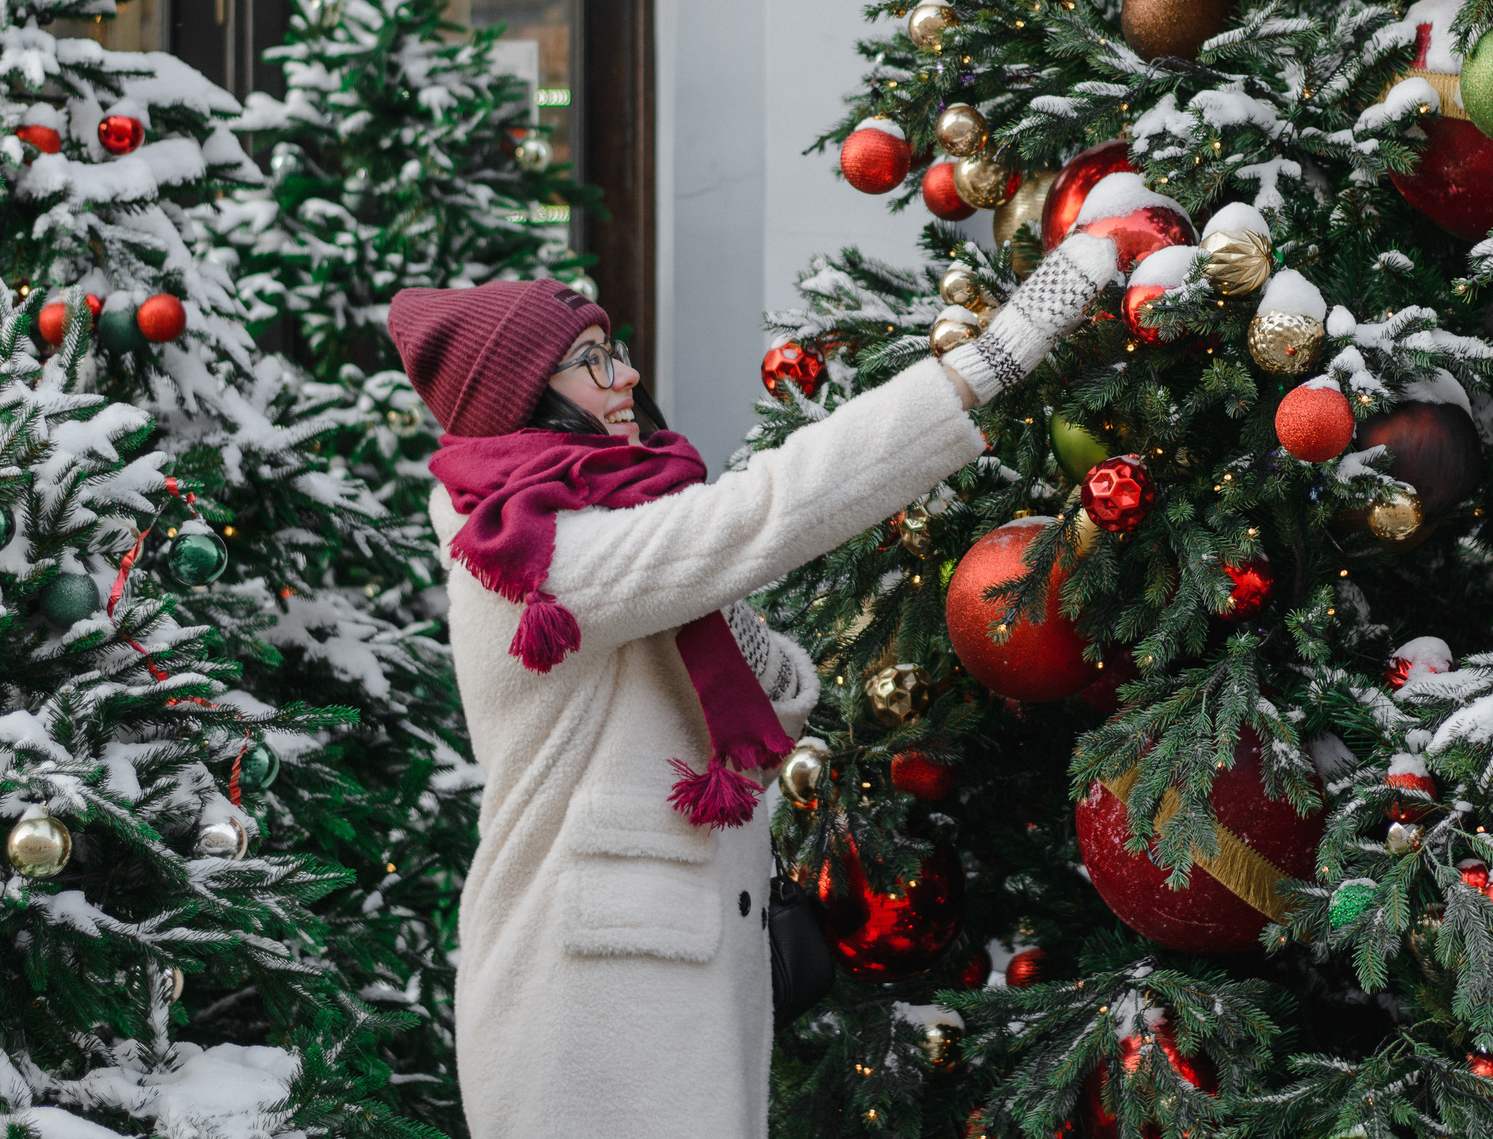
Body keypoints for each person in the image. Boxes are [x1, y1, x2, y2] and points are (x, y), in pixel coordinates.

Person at [386, 230, 1120, 1139]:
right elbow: (763, 512)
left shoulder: (617, 522)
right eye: (587, 362)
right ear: (520, 396)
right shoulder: (529, 554)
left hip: (666, 973)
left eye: (612, 350)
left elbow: (777, 694)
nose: (621, 377)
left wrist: (713, 589)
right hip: (582, 996)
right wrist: (989, 361)